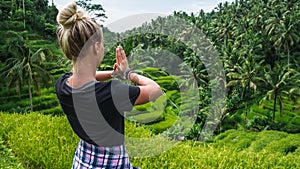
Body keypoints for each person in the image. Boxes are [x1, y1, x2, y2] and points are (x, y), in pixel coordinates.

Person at [55, 2, 162, 169]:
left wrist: (113, 74)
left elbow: (85, 78)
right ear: (97, 47)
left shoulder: (62, 85)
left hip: (83, 160)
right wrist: (128, 73)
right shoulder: (111, 93)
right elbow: (155, 90)